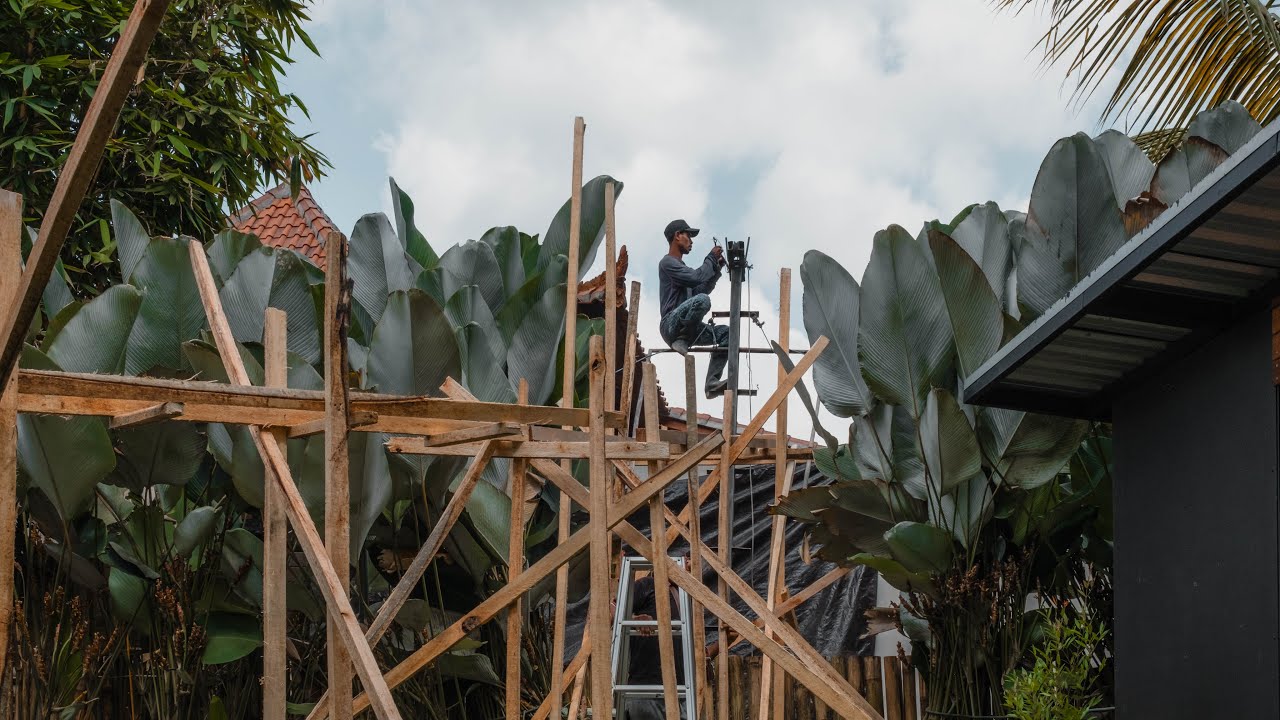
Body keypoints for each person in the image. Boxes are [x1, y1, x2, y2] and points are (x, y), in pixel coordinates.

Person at [658, 219, 730, 398]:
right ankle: (680, 339)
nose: (691, 241)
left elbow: (700, 289)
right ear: (677, 236)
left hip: (688, 327)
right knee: (702, 301)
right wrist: (711, 258)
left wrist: (716, 269)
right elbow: (697, 278)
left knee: (727, 334)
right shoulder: (668, 263)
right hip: (671, 325)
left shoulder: (682, 268)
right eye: (688, 236)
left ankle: (712, 384)